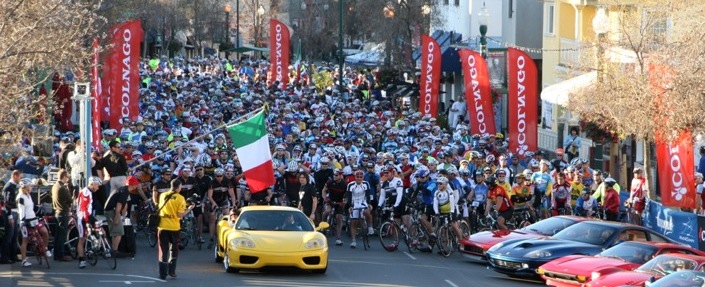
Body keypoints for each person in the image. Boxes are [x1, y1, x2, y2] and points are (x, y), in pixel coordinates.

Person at [157, 179, 196, 280]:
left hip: (162, 226)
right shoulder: (180, 198)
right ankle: (172, 271)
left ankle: (162, 274)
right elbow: (180, 214)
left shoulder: (162, 195)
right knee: (174, 249)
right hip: (174, 227)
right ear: (179, 187)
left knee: (163, 250)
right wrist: (190, 208)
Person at [17, 178, 51, 267]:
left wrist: (38, 209)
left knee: (45, 232)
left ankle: (45, 248)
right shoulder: (21, 197)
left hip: (33, 218)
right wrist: (23, 222)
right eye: (30, 186)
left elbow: (31, 207)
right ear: (25, 187)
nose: (31, 187)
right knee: (25, 240)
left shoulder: (29, 195)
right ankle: (24, 260)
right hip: (25, 220)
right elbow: (21, 211)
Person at [104, 175, 137, 255]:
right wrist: (117, 217)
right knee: (119, 232)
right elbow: (119, 204)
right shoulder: (125, 191)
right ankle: (114, 251)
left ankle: (113, 249)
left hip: (109, 210)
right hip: (112, 211)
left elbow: (124, 204)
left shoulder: (123, 189)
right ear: (132, 185)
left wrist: (122, 215)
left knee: (114, 233)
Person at [77, 177, 102, 269]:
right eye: (97, 186)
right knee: (82, 239)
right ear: (92, 184)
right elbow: (83, 209)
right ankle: (81, 260)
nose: (98, 188)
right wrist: (87, 222)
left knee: (100, 228)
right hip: (82, 218)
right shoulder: (86, 192)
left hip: (88, 216)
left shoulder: (89, 192)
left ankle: (94, 247)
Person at [346, 170, 373, 248]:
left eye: (361, 177)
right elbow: (349, 197)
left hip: (363, 201)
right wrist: (350, 206)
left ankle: (370, 226)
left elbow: (368, 195)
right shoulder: (350, 185)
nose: (359, 179)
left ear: (363, 178)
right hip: (354, 202)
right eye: (357, 177)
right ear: (355, 177)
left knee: (367, 212)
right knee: (354, 223)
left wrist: (369, 204)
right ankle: (354, 241)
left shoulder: (366, 184)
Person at [51, 169, 73, 261]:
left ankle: (57, 255)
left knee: (57, 236)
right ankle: (61, 255)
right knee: (62, 236)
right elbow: (70, 200)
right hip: (63, 212)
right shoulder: (62, 188)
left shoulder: (55, 186)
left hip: (57, 212)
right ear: (64, 177)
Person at [322, 168, 348, 246]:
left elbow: (347, 195)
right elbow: (324, 190)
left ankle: (338, 238)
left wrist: (344, 202)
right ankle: (323, 226)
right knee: (327, 211)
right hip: (330, 200)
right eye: (333, 175)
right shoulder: (330, 182)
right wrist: (325, 198)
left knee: (339, 218)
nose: (334, 176)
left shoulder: (344, 184)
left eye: (336, 175)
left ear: (340, 176)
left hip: (339, 202)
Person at [1, 170, 22, 264]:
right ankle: (5, 257)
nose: (20, 179)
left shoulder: (13, 186)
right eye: (19, 177)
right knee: (9, 236)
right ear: (14, 176)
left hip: (14, 212)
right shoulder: (9, 187)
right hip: (10, 213)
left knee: (14, 236)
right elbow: (7, 203)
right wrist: (9, 216)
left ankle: (13, 256)